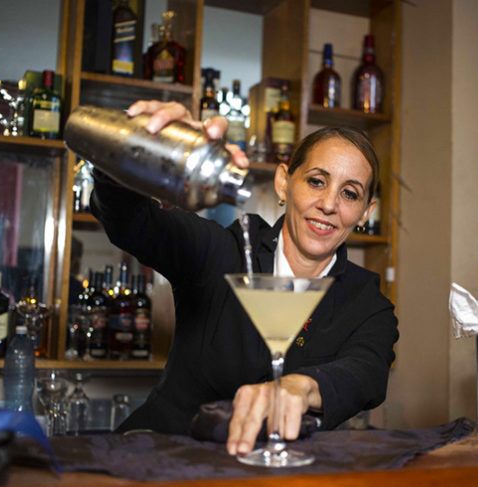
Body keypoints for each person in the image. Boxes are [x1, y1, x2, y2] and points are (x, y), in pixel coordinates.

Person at [90, 100, 399, 456]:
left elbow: (367, 373)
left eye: (350, 193)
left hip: (282, 475)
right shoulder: (223, 252)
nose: (329, 204)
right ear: (284, 183)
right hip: (160, 457)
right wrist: (136, 149)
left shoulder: (366, 303)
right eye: (316, 181)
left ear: (365, 211)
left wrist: (300, 387)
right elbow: (131, 222)